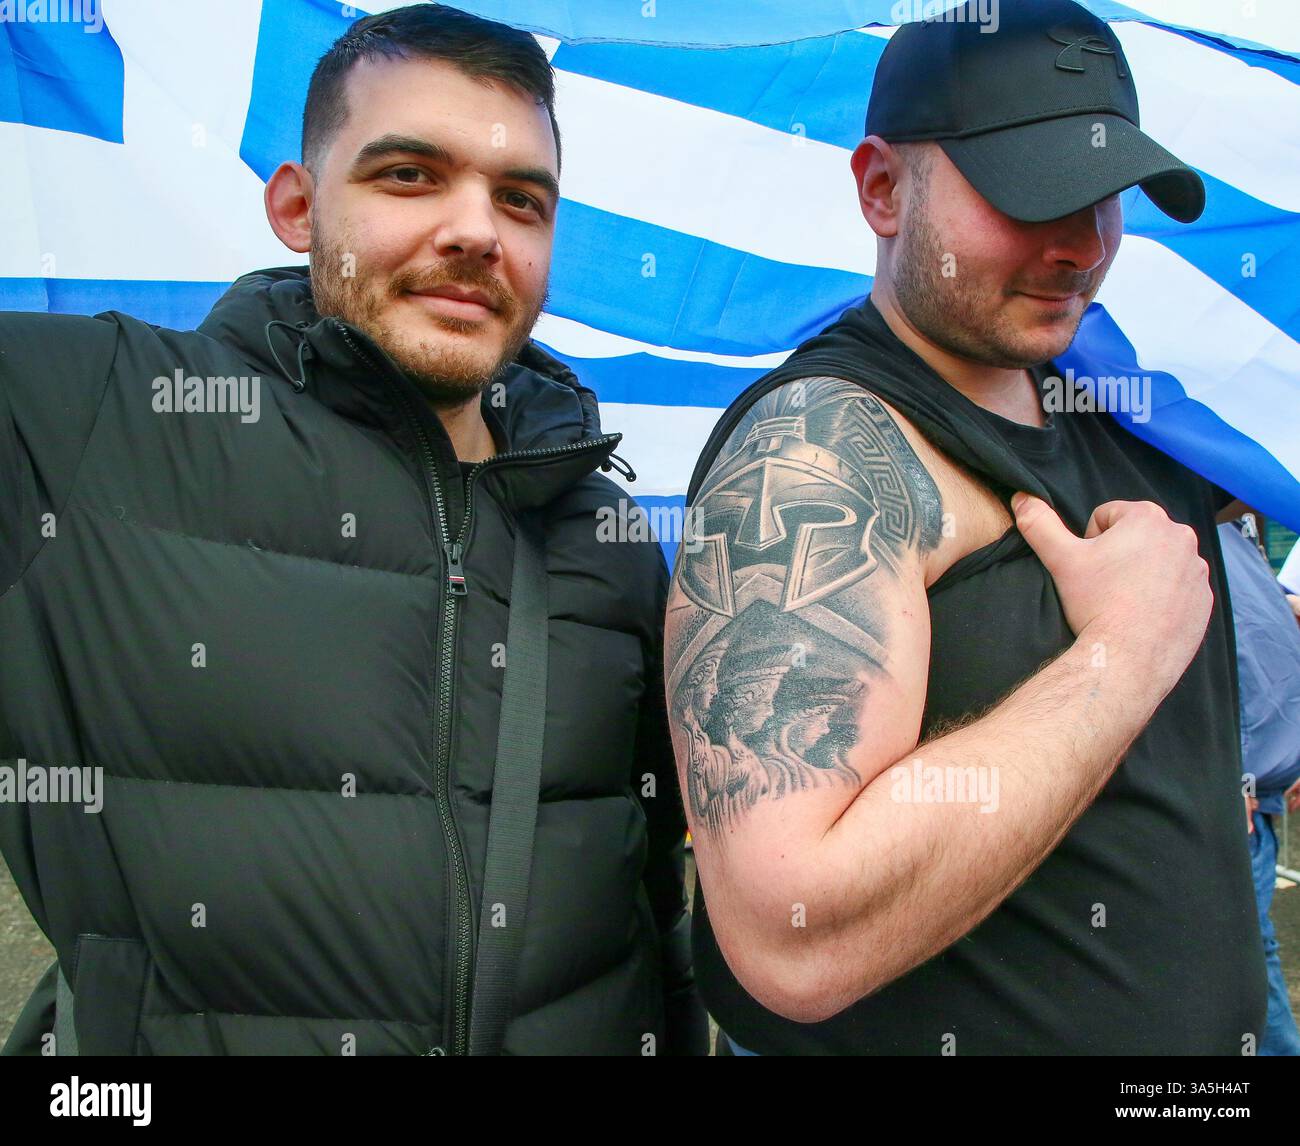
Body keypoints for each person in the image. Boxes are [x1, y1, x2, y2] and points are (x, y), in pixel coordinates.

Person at [0, 4, 705, 1056]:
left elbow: (646, 899)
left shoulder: (599, 525)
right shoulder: (89, 414)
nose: (476, 229)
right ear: (296, 205)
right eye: (409, 175)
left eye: (520, 200)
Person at [667, 0, 1266, 1055]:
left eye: (1107, 196)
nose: (1082, 246)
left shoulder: (1121, 416)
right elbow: (789, 932)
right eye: (1031, 194)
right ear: (882, 188)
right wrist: (1122, 657)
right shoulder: (820, 448)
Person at [1220, 516, 1300, 1056]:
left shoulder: (1229, 522)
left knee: (1244, 949)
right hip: (1225, 786)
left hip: (1257, 785)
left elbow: (1264, 635)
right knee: (1239, 951)